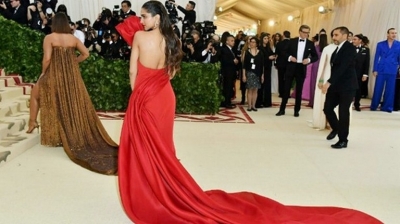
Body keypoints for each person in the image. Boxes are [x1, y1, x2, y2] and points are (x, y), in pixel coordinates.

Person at [117, 1, 383, 223]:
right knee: (162, 144)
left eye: (143, 16)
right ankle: (165, 185)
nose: (140, 21)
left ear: (155, 16)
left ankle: (152, 187)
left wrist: (138, 94)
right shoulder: (171, 39)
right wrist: (155, 85)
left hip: (145, 95)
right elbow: (172, 72)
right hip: (164, 96)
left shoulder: (140, 37)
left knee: (143, 141)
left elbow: (133, 71)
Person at [26, 12, 118, 175]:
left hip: (53, 75)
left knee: (35, 95)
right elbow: (86, 54)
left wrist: (42, 74)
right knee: (69, 103)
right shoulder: (73, 39)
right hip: (71, 78)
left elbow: (47, 59)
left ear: (54, 24)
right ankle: (56, 128)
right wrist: (73, 62)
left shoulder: (49, 37)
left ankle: (32, 123)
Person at [322, 26, 358, 149]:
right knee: (327, 108)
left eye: (336, 35)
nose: (333, 37)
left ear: (344, 35)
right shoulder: (337, 49)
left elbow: (343, 68)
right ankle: (336, 129)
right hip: (336, 85)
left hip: (347, 86)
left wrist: (329, 82)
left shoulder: (350, 48)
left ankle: (343, 140)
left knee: (343, 112)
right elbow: (335, 68)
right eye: (333, 35)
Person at [276, 25, 318, 117]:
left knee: (299, 90)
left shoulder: (310, 43)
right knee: (286, 89)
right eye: (304, 32)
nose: (306, 34)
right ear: (299, 32)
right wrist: (290, 57)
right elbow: (283, 52)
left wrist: (309, 60)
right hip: (291, 67)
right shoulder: (292, 41)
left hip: (301, 68)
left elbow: (315, 56)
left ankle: (296, 110)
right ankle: (282, 109)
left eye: (308, 33)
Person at [370, 28, 400, 113]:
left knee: (390, 89)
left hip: (392, 69)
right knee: (378, 88)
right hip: (381, 68)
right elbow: (376, 57)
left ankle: (387, 107)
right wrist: (375, 69)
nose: (394, 35)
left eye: (395, 33)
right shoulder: (380, 44)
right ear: (387, 34)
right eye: (392, 33)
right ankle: (374, 106)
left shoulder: (399, 44)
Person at [242, 37, 264, 111]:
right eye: (251, 42)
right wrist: (244, 75)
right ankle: (249, 106)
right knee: (250, 89)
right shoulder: (247, 52)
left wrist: (262, 75)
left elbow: (262, 65)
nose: (252, 43)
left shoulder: (260, 52)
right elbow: (244, 65)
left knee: (255, 90)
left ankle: (254, 105)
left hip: (257, 73)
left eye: (254, 42)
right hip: (249, 73)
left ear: (256, 43)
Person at [352, 34, 370, 111]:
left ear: (360, 41)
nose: (353, 41)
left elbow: (367, 63)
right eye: (353, 39)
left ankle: (357, 104)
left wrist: (365, 74)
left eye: (355, 39)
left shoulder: (365, 50)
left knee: (358, 89)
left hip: (359, 73)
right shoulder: (348, 48)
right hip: (349, 72)